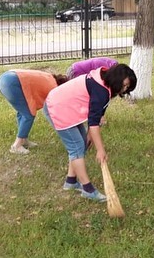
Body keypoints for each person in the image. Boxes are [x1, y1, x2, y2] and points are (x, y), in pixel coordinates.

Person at [44, 64, 137, 202]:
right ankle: (88, 189)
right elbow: (93, 125)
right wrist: (100, 150)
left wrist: (89, 138)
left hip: (67, 107)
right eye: (124, 86)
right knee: (76, 148)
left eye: (127, 88)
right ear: (117, 79)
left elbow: (97, 116)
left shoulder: (104, 82)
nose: (124, 90)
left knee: (81, 144)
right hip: (57, 107)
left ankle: (71, 181)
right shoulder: (101, 91)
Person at [0, 69, 68, 155]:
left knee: (22, 112)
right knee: (28, 114)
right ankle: (17, 145)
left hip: (5, 78)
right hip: (13, 82)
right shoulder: (54, 88)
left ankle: (24, 140)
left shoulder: (49, 77)